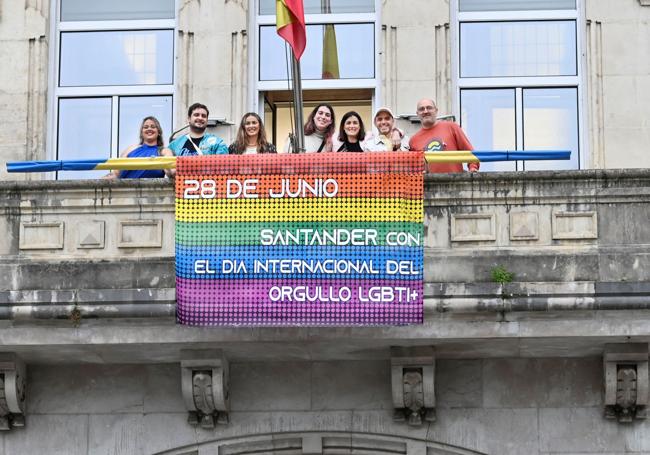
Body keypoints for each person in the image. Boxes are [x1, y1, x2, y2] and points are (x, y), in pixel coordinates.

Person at [409, 98, 479, 173]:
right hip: (429, 183)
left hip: (454, 181)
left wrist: (473, 168)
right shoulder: (413, 141)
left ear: (436, 111)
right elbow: (414, 169)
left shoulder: (451, 127)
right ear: (417, 114)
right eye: (421, 109)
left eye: (429, 108)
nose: (425, 111)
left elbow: (470, 152)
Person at [104, 116, 173, 179]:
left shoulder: (164, 151)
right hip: (124, 190)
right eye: (145, 127)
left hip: (149, 191)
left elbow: (171, 172)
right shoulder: (130, 149)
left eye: (153, 127)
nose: (149, 129)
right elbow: (116, 173)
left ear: (159, 132)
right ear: (141, 133)